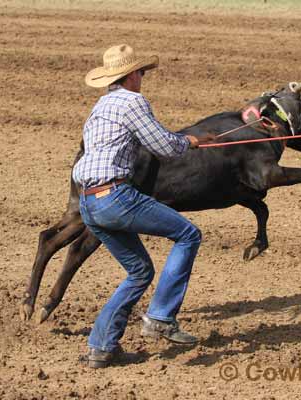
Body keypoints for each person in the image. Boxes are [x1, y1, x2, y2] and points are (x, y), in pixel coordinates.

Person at [72, 44, 215, 368]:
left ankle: (101, 348)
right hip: (115, 197)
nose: (143, 78)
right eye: (142, 72)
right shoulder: (132, 101)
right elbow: (164, 146)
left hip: (88, 202)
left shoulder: (101, 105)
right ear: (132, 75)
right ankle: (161, 317)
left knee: (138, 271)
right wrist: (191, 141)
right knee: (188, 234)